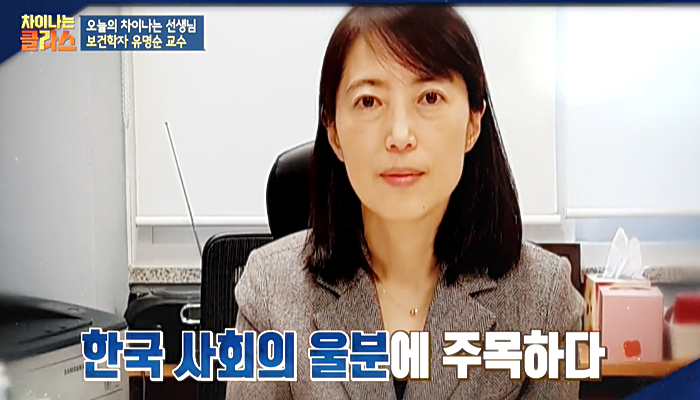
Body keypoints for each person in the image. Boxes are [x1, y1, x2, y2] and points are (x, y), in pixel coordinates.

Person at [227, 5, 584, 400]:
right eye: (368, 101)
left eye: (430, 97)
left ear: (472, 123)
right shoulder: (271, 288)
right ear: (334, 131)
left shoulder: (542, 296)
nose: (399, 135)